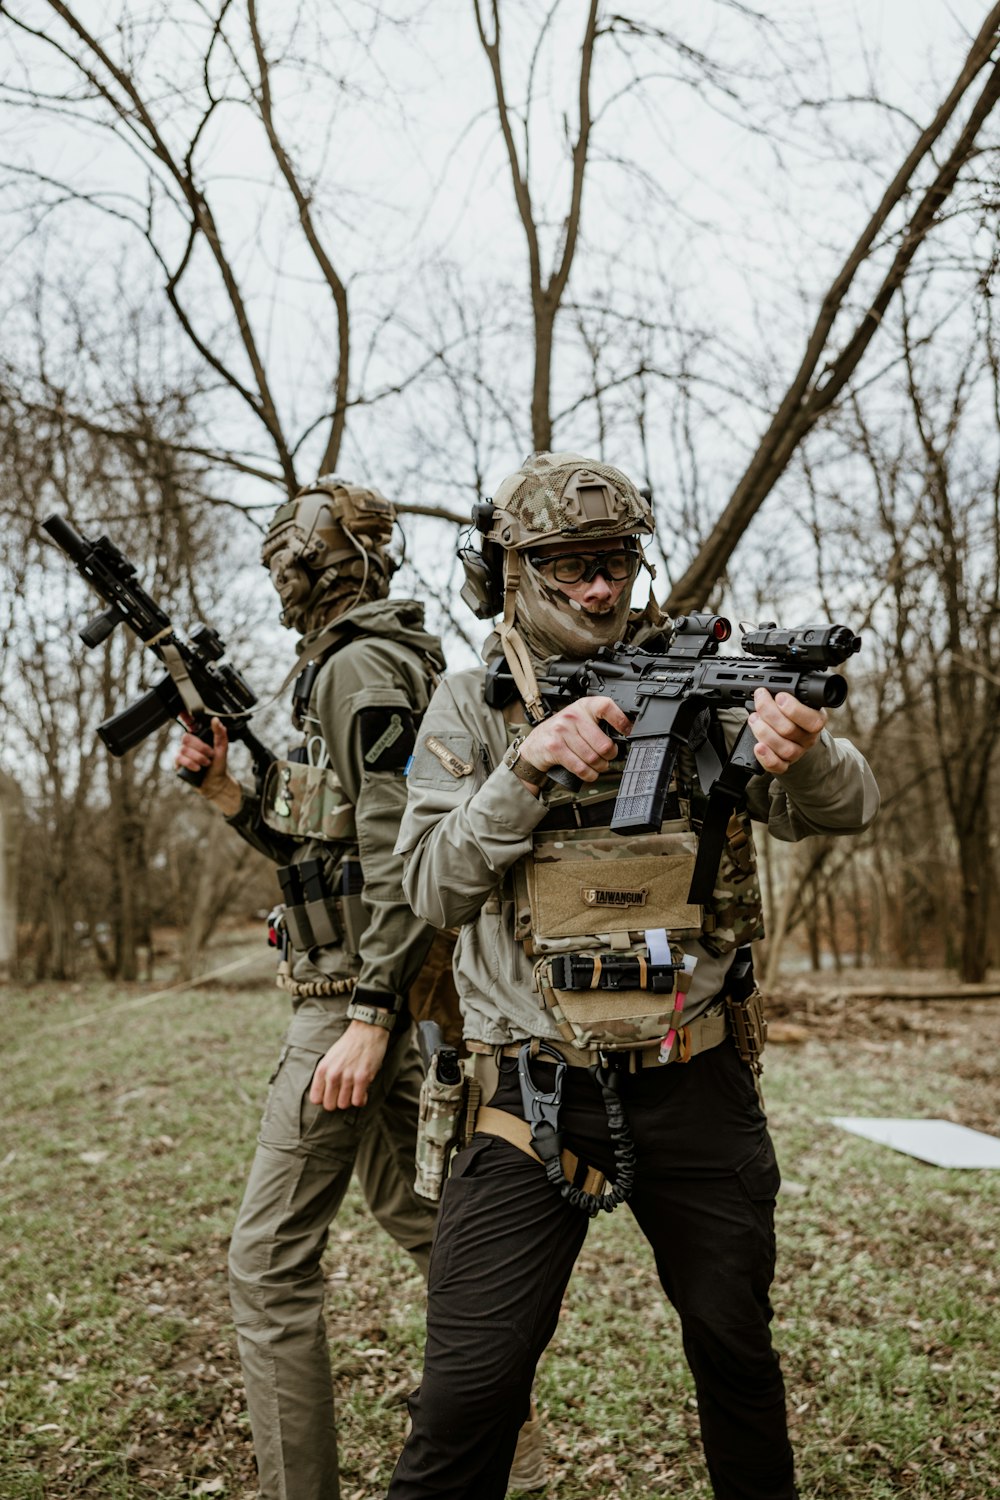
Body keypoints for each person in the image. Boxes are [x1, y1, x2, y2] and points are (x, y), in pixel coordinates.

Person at [387, 451, 880, 1500]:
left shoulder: (703, 678)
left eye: (613, 560)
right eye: (570, 565)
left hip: (694, 1075)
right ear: (513, 571)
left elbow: (849, 807)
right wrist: (526, 771)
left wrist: (806, 751)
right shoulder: (469, 707)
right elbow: (430, 889)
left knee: (735, 1353)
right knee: (467, 1392)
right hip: (527, 1093)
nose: (600, 587)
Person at [173, 477, 459, 1500]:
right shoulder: (352, 667)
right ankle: (493, 1449)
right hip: (365, 989)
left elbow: (397, 851)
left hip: (354, 1000)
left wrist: (373, 1017)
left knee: (267, 1265)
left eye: (281, 564)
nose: (277, 583)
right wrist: (226, 796)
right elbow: (322, 845)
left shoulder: (360, 670)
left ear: (309, 564)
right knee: (425, 1222)